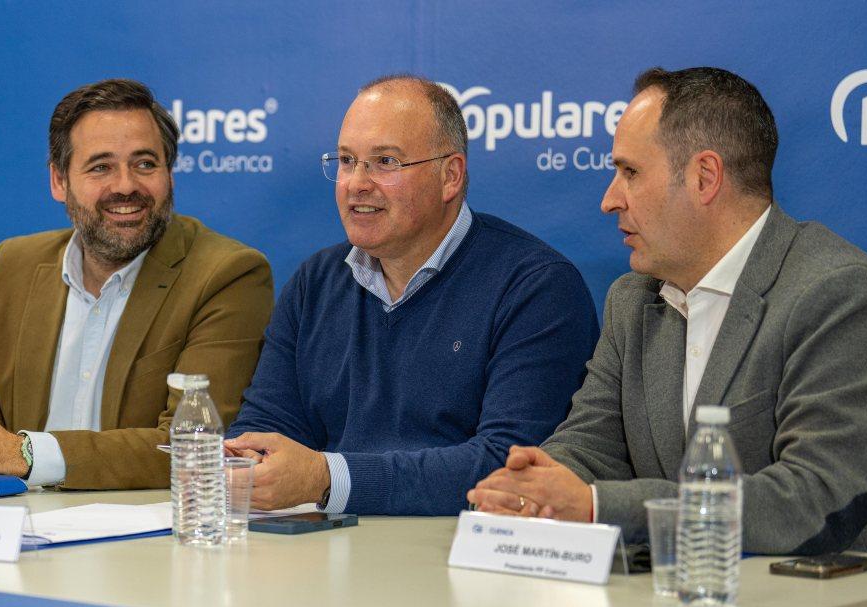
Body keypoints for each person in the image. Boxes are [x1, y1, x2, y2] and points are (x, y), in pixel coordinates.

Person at [469, 67, 867, 607]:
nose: (610, 198)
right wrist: (532, 483)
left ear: (704, 177)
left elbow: (817, 499)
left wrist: (591, 506)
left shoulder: (834, 292)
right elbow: (590, 443)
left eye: (629, 172)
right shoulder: (633, 300)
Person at [0, 78, 272, 489]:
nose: (126, 185)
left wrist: (26, 454)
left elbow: (195, 448)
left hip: (145, 536)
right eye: (101, 167)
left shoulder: (227, 274)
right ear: (59, 181)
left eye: (146, 164)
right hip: (19, 528)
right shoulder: (16, 265)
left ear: (170, 173)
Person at [224, 75, 599, 515]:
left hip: (456, 559)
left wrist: (329, 480)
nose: (356, 184)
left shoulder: (536, 286)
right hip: (323, 553)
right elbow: (266, 425)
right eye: (347, 161)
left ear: (450, 176)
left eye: (384, 162)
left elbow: (510, 465)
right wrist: (251, 463)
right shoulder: (314, 283)